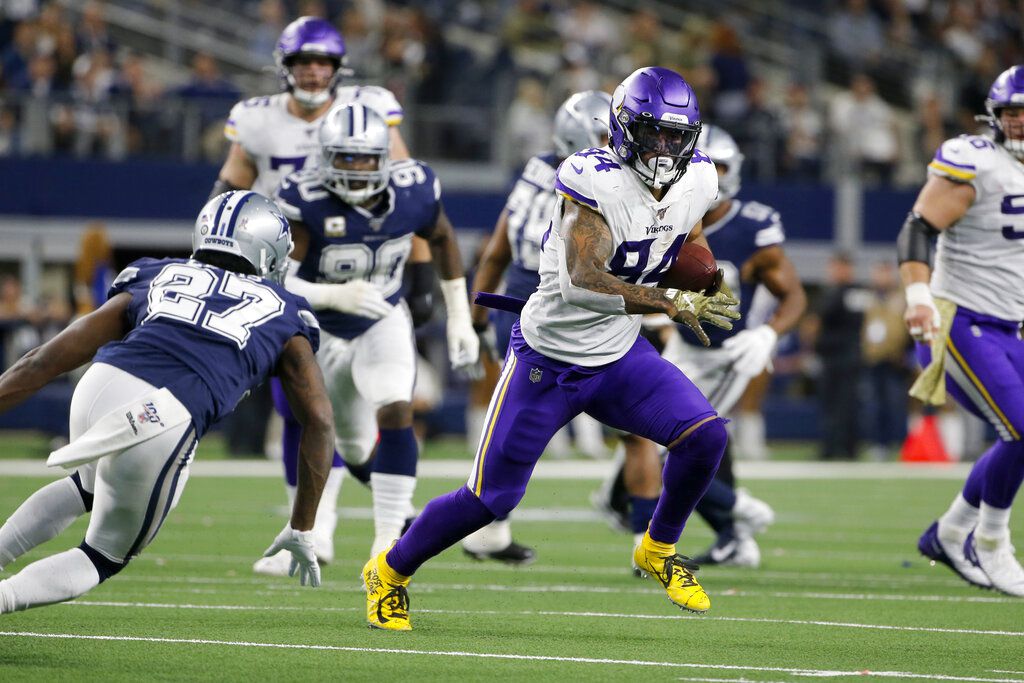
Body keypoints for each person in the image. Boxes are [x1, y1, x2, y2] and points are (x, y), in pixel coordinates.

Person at [361, 66, 741, 631]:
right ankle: (389, 571)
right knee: (491, 498)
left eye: (674, 136)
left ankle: (657, 548)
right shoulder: (592, 177)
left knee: (705, 436)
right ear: (622, 128)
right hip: (549, 358)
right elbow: (582, 282)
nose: (664, 148)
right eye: (652, 133)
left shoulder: (700, 177)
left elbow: (687, 234)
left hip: (618, 355)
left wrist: (703, 277)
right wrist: (667, 301)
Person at [0, 192, 334, 613]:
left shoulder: (157, 273)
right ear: (269, 252)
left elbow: (42, 360)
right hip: (161, 416)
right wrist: (303, 526)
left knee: (85, 487)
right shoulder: (287, 311)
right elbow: (319, 420)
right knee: (102, 555)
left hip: (98, 387)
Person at [207, 16, 431, 574]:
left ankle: (381, 517)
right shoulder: (256, 121)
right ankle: (312, 529)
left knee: (357, 418)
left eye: (323, 62)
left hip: (361, 271)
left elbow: (407, 198)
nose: (313, 72)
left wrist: (423, 276)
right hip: (285, 267)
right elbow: (228, 187)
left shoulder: (369, 108)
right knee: (297, 404)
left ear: (338, 68)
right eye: (303, 62)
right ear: (285, 68)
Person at [274, 102, 479, 559]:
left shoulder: (414, 189)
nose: (357, 167)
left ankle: (388, 542)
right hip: (318, 329)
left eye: (366, 157)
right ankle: (370, 516)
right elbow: (276, 279)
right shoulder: (303, 198)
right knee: (347, 441)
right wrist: (330, 295)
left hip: (382, 316)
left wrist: (460, 318)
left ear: (384, 157)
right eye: (345, 157)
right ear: (326, 157)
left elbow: (443, 238)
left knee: (396, 408)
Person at [603, 125, 806, 568]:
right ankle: (733, 523)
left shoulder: (752, 225)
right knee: (654, 438)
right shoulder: (664, 211)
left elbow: (795, 295)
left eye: (719, 165)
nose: (709, 173)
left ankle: (731, 514)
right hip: (684, 346)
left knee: (674, 441)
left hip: (729, 353)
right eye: (702, 162)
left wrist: (769, 332)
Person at [466, 90, 613, 565]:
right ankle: (483, 524)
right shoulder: (586, 180)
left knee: (526, 414)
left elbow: (497, 246)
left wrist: (476, 310)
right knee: (521, 418)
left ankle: (488, 525)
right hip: (544, 299)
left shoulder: (537, 167)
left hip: (531, 292)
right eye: (609, 135)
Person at [903, 65, 1024, 597]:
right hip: (960, 318)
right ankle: (990, 541)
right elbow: (919, 226)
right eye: (1012, 113)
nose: (1019, 123)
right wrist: (917, 295)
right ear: (994, 117)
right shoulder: (977, 160)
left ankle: (950, 533)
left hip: (1010, 324)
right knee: (1021, 430)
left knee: (1015, 434)